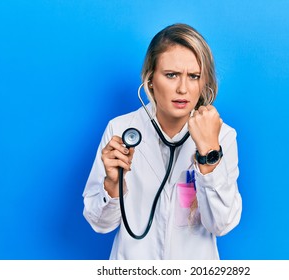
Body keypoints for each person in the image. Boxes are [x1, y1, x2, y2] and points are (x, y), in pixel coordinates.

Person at [82, 23, 242, 260]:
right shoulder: (120, 130)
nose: (183, 88)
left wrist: (209, 155)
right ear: (150, 80)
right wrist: (113, 184)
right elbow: (100, 224)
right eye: (171, 75)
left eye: (194, 76)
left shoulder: (222, 137)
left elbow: (222, 224)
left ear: (204, 82)